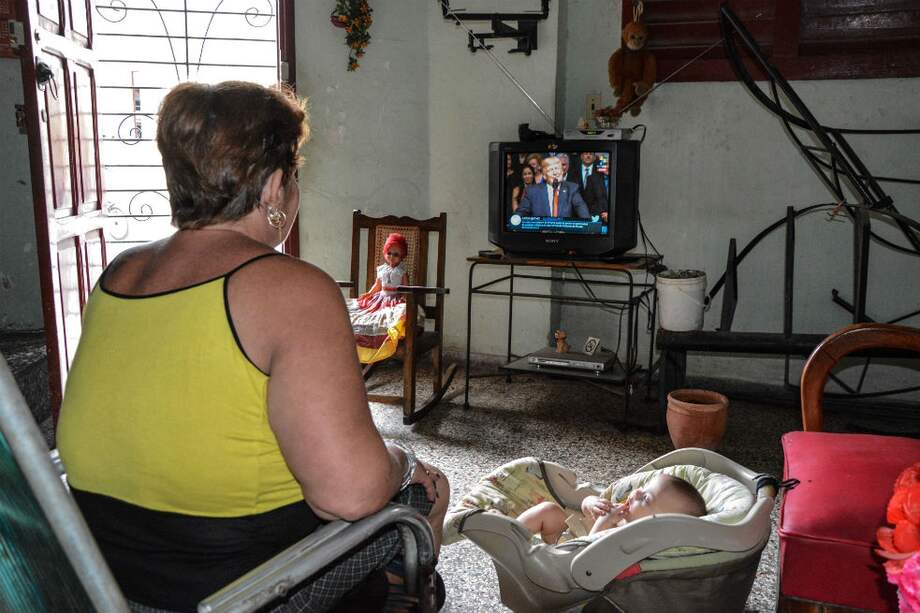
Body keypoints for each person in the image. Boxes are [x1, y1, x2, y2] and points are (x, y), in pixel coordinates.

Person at [56, 81, 450, 613]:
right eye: (294, 174)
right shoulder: (292, 288)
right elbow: (349, 495)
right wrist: (402, 460)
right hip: (237, 592)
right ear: (273, 186)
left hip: (101, 581)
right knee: (426, 490)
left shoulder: (120, 273)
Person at [518, 474, 707, 545]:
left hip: (570, 563)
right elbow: (586, 509)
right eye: (643, 488)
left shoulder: (631, 540)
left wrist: (603, 522)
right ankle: (509, 533)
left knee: (549, 511)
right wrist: (591, 503)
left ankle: (509, 539)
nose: (637, 492)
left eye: (646, 498)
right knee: (549, 511)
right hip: (564, 538)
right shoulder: (623, 510)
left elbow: (589, 555)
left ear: (659, 525)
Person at [348, 232, 416, 364]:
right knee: (365, 311)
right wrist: (369, 294)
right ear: (385, 253)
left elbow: (406, 288)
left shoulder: (401, 271)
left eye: (396, 254)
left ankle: (387, 339)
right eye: (389, 253)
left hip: (393, 299)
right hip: (379, 298)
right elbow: (377, 285)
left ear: (402, 256)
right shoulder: (382, 269)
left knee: (396, 313)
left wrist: (405, 298)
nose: (392, 257)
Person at [515, 156, 590, 219]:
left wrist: (588, 223)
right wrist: (515, 220)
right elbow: (521, 212)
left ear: (562, 171)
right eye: (551, 170)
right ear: (544, 176)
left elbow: (581, 208)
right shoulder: (532, 191)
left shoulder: (572, 188)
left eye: (557, 168)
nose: (555, 173)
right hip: (541, 231)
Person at [583, 156, 610, 221]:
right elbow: (589, 202)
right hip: (598, 218)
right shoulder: (592, 179)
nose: (607, 166)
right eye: (605, 164)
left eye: (609, 163)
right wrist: (602, 214)